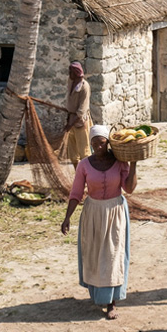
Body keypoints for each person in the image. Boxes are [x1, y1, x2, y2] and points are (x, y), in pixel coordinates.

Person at [61, 125, 137, 319]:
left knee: (113, 256)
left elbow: (128, 188)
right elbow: (76, 192)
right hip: (93, 212)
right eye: (94, 144)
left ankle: (112, 302)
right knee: (95, 255)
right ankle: (98, 295)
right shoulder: (84, 165)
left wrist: (133, 164)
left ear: (108, 143)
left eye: (102, 143)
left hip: (115, 211)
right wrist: (67, 217)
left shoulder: (120, 162)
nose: (98, 147)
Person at [64, 62, 92, 168]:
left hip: (80, 122)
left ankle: (88, 177)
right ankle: (78, 176)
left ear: (75, 73)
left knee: (84, 152)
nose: (69, 74)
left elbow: (81, 111)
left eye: (70, 72)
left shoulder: (84, 87)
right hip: (70, 119)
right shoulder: (71, 82)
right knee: (73, 153)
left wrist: (69, 125)